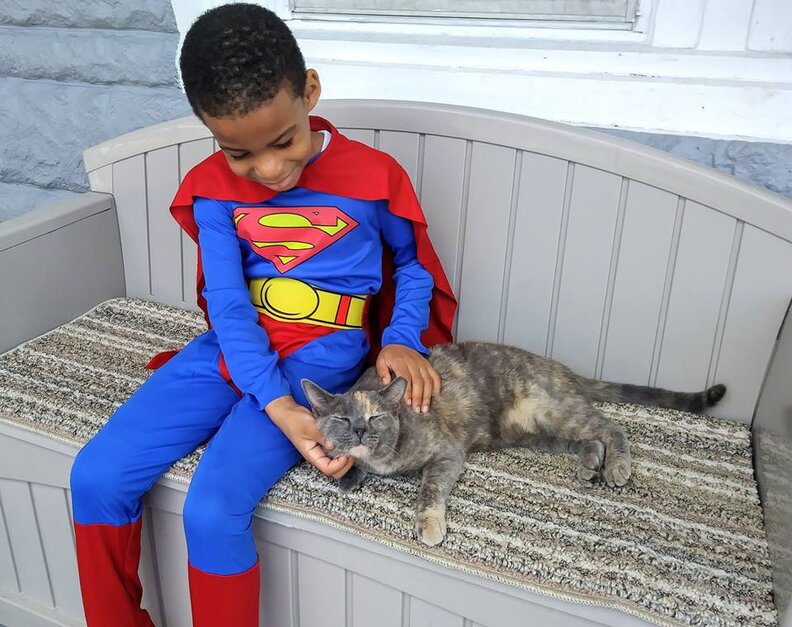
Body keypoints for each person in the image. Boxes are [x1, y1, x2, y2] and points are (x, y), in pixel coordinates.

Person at [68, 3, 456, 626]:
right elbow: (226, 303)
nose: (269, 170)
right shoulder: (212, 188)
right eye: (238, 153)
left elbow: (411, 266)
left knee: (213, 506)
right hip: (233, 348)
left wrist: (402, 337)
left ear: (309, 90)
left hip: (322, 359)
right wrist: (279, 407)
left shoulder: (372, 176)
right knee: (95, 475)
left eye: (283, 141)